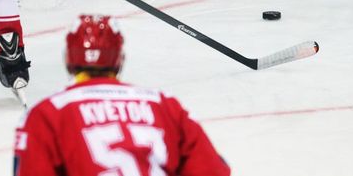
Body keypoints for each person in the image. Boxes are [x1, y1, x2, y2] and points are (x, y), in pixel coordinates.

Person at [13, 15, 232, 176]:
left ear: (68, 59)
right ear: (120, 59)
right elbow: (213, 170)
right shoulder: (164, 104)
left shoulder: (47, 112)